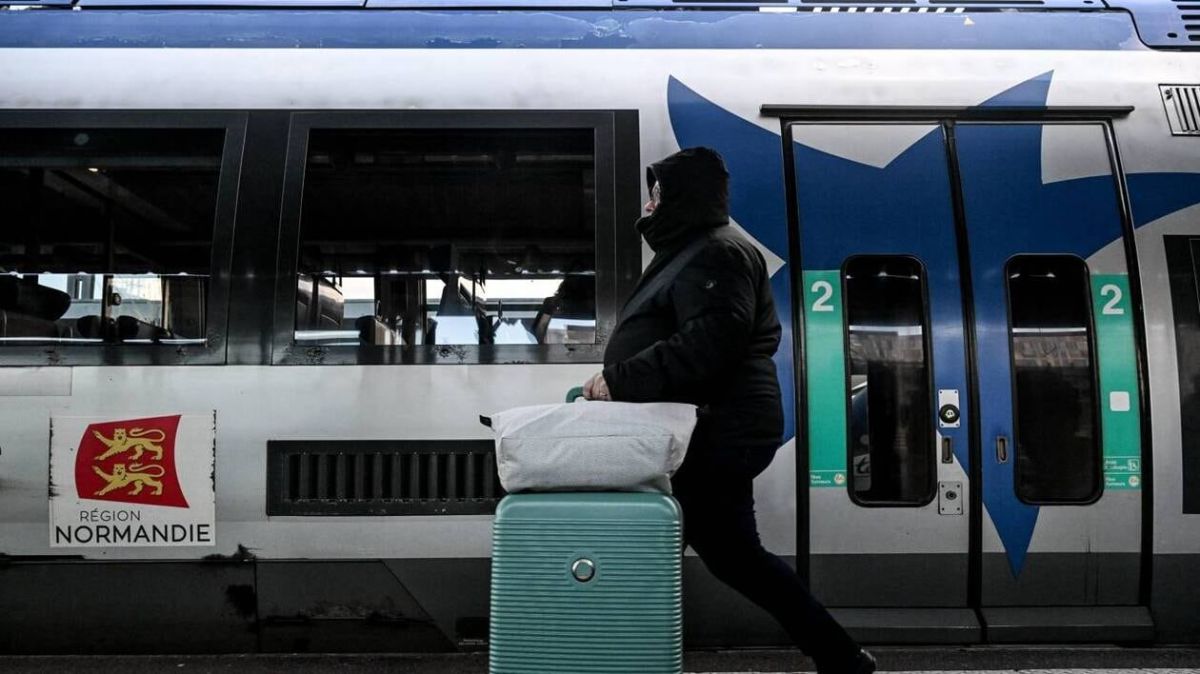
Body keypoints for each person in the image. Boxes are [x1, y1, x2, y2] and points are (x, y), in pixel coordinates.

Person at [581, 147, 876, 674]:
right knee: (733, 555)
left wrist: (617, 380)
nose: (649, 204)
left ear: (682, 197)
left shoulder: (717, 253)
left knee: (664, 543)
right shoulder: (695, 251)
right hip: (711, 426)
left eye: (659, 192)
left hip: (718, 429)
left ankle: (613, 651)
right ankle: (840, 657)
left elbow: (711, 340)